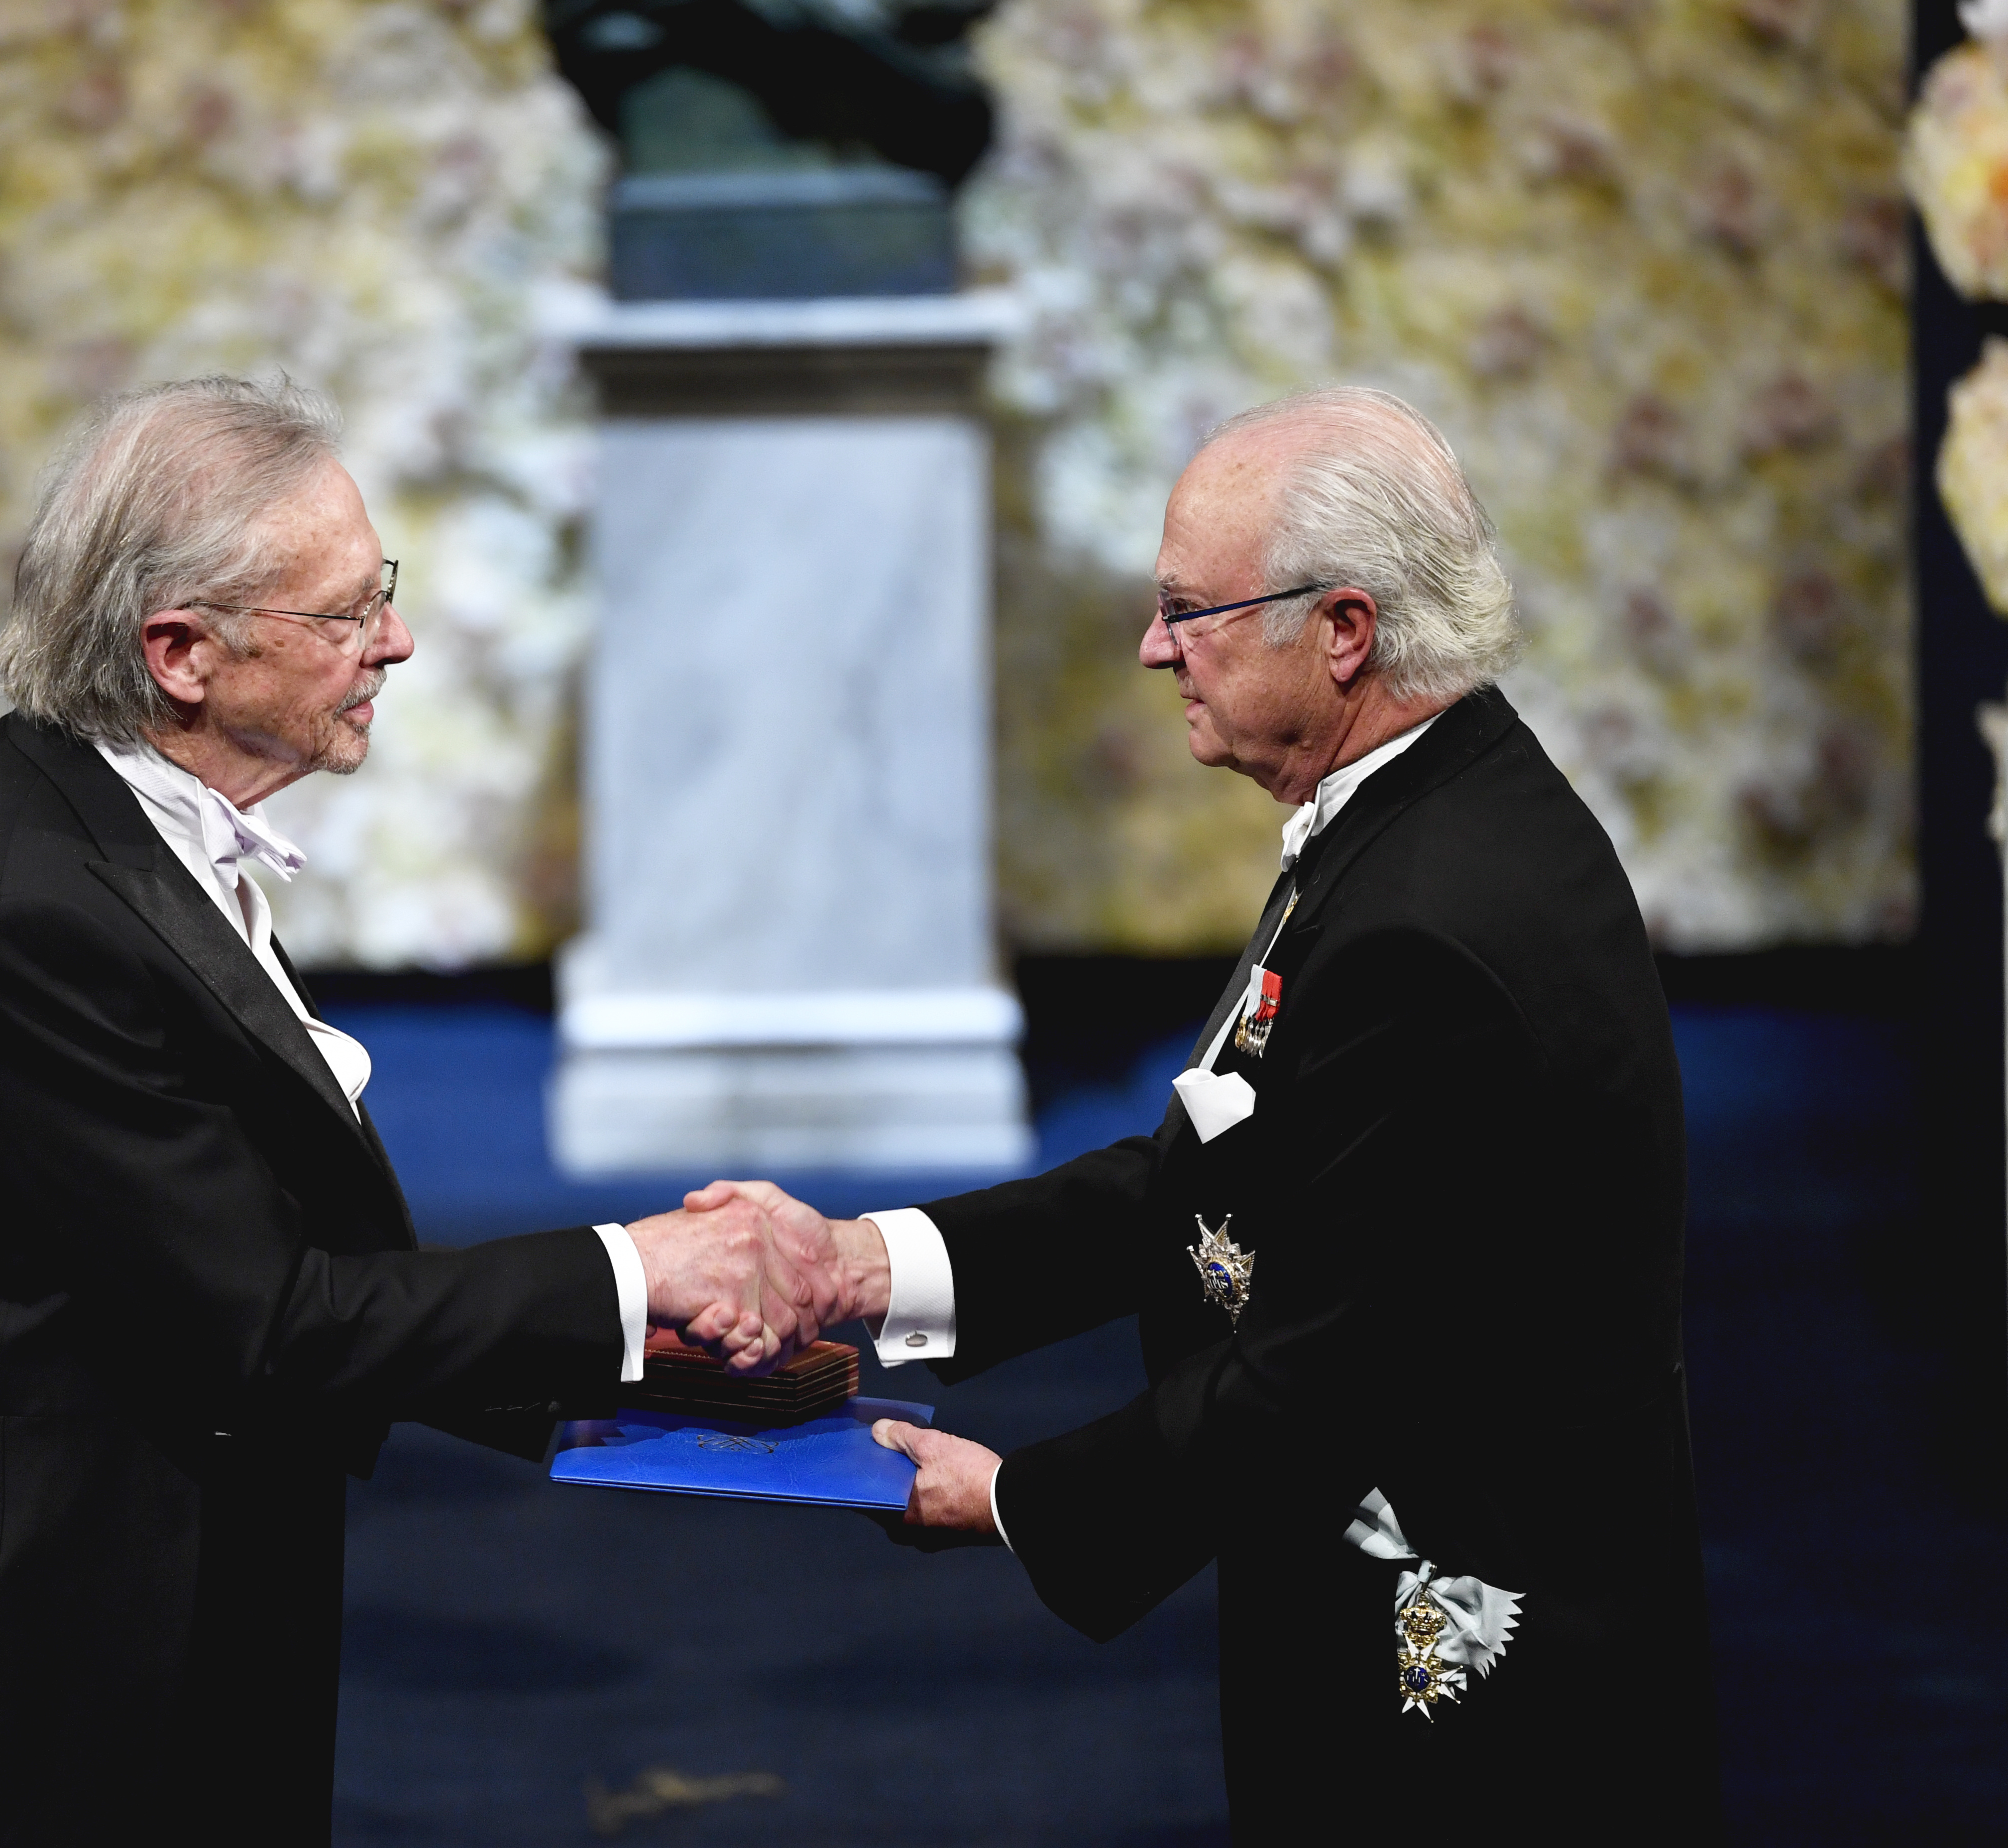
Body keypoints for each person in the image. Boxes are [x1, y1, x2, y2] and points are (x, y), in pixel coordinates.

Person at [707, 387, 1719, 1836]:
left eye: (1189, 609)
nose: (1150, 646)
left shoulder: (1428, 921)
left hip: (1477, 1716)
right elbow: (1218, 1186)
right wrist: (868, 1266)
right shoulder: (1419, 817)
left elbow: (1327, 1372)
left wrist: (1020, 1501)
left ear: (1345, 631)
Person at [0, 377, 800, 1846]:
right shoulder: (30, 913)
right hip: (78, 1651)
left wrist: (643, 1371)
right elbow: (275, 1326)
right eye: (349, 613)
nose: (397, 644)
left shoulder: (119, 820)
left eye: (387, 594)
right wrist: (631, 1274)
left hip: (192, 1570)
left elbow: (292, 1256)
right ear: (181, 652)